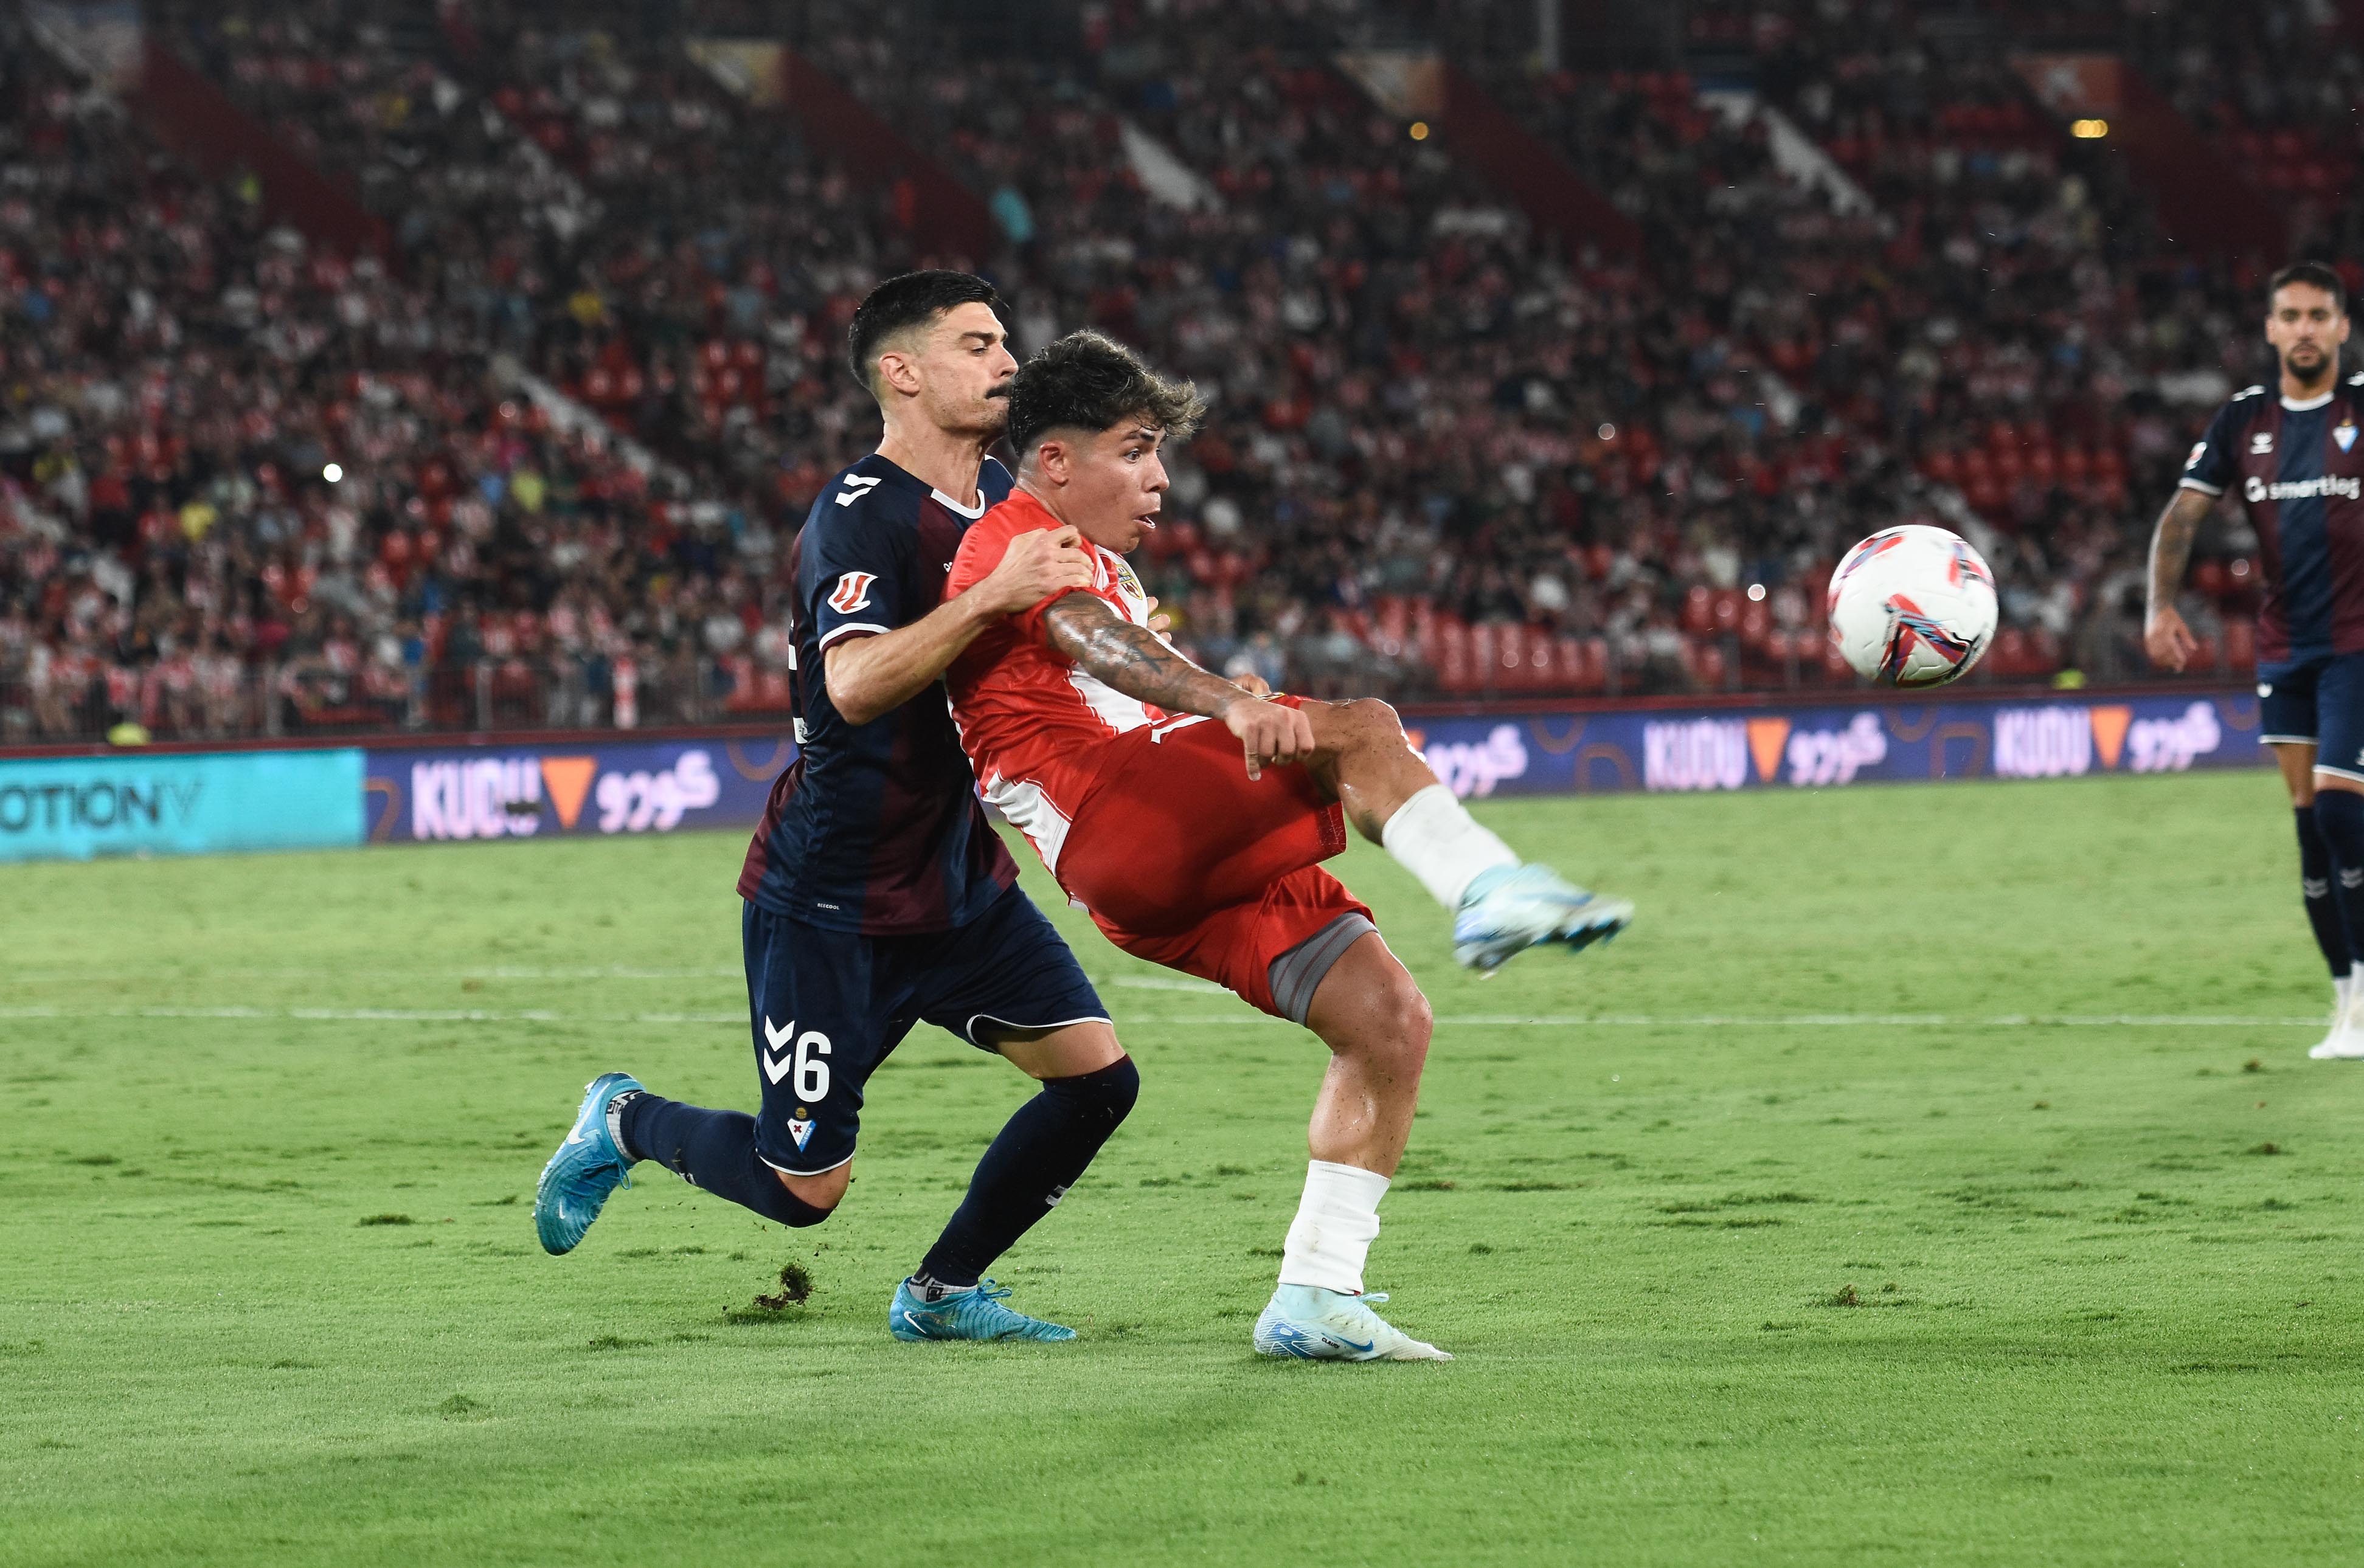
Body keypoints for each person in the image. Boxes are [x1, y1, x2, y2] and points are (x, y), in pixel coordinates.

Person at [940, 331, 1635, 1360]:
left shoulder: (1098, 561)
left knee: (1388, 1019)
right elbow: (1091, 638)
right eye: (1135, 449)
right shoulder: (1017, 541)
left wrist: (1227, 707)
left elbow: (1112, 662)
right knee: (1361, 726)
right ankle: (1486, 884)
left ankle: (1315, 1295)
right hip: (1117, 822)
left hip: (1156, 873)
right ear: (1055, 461)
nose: (1160, 478)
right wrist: (1223, 701)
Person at [534, 273, 1140, 1342]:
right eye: (975, 343)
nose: (1007, 361)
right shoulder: (858, 519)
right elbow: (855, 686)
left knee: (1098, 1083)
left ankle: (944, 1294)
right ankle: (625, 1122)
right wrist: (995, 597)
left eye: (1005, 339)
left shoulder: (1008, 500)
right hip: (833, 901)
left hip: (958, 885)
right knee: (801, 1190)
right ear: (901, 374)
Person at [2146, 260, 2364, 1060]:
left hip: (2359, 645)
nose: (2304, 328)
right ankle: (2346, 1003)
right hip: (2286, 647)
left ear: (2341, 327)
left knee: (2344, 811)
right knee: (2312, 830)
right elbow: (2182, 515)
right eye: (2290, 316)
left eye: (2318, 315)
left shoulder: (2360, 409)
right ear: (2270, 329)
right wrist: (2158, 604)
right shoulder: (2244, 421)